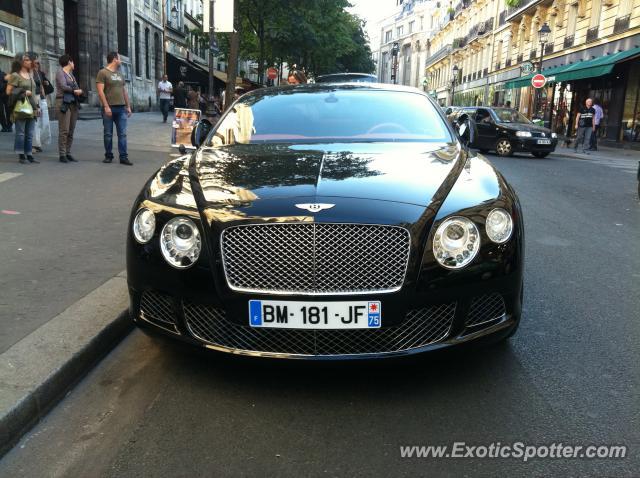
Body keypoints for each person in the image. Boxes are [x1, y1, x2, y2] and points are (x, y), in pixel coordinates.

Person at [96, 51, 133, 165]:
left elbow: (124, 91)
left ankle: (123, 157)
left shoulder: (120, 74)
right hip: (109, 108)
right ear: (114, 59)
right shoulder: (102, 73)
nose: (120, 61)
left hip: (121, 108)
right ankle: (108, 155)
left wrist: (128, 106)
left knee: (122, 133)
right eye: (119, 58)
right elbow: (100, 91)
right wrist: (106, 106)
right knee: (108, 133)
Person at [6, 53, 40, 164]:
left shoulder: (31, 75)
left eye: (30, 60)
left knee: (30, 133)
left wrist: (37, 106)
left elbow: (34, 93)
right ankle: (21, 156)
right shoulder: (16, 75)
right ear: (21, 62)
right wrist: (24, 92)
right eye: (27, 60)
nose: (30, 62)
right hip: (21, 107)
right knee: (20, 133)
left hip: (32, 106)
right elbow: (8, 91)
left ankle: (29, 155)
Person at [56, 54, 83, 163]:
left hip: (73, 102)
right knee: (64, 130)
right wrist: (74, 90)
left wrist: (79, 91)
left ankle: (68, 152)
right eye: (73, 62)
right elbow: (63, 86)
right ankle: (62, 154)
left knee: (71, 129)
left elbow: (76, 87)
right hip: (63, 102)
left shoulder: (71, 75)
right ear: (69, 62)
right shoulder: (60, 72)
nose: (74, 64)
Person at [31, 57, 46, 152]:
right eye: (36, 63)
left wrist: (43, 97)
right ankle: (33, 145)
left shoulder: (39, 73)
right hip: (34, 97)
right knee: (34, 122)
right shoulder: (31, 73)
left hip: (40, 98)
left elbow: (41, 86)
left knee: (40, 122)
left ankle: (37, 143)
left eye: (39, 63)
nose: (38, 64)